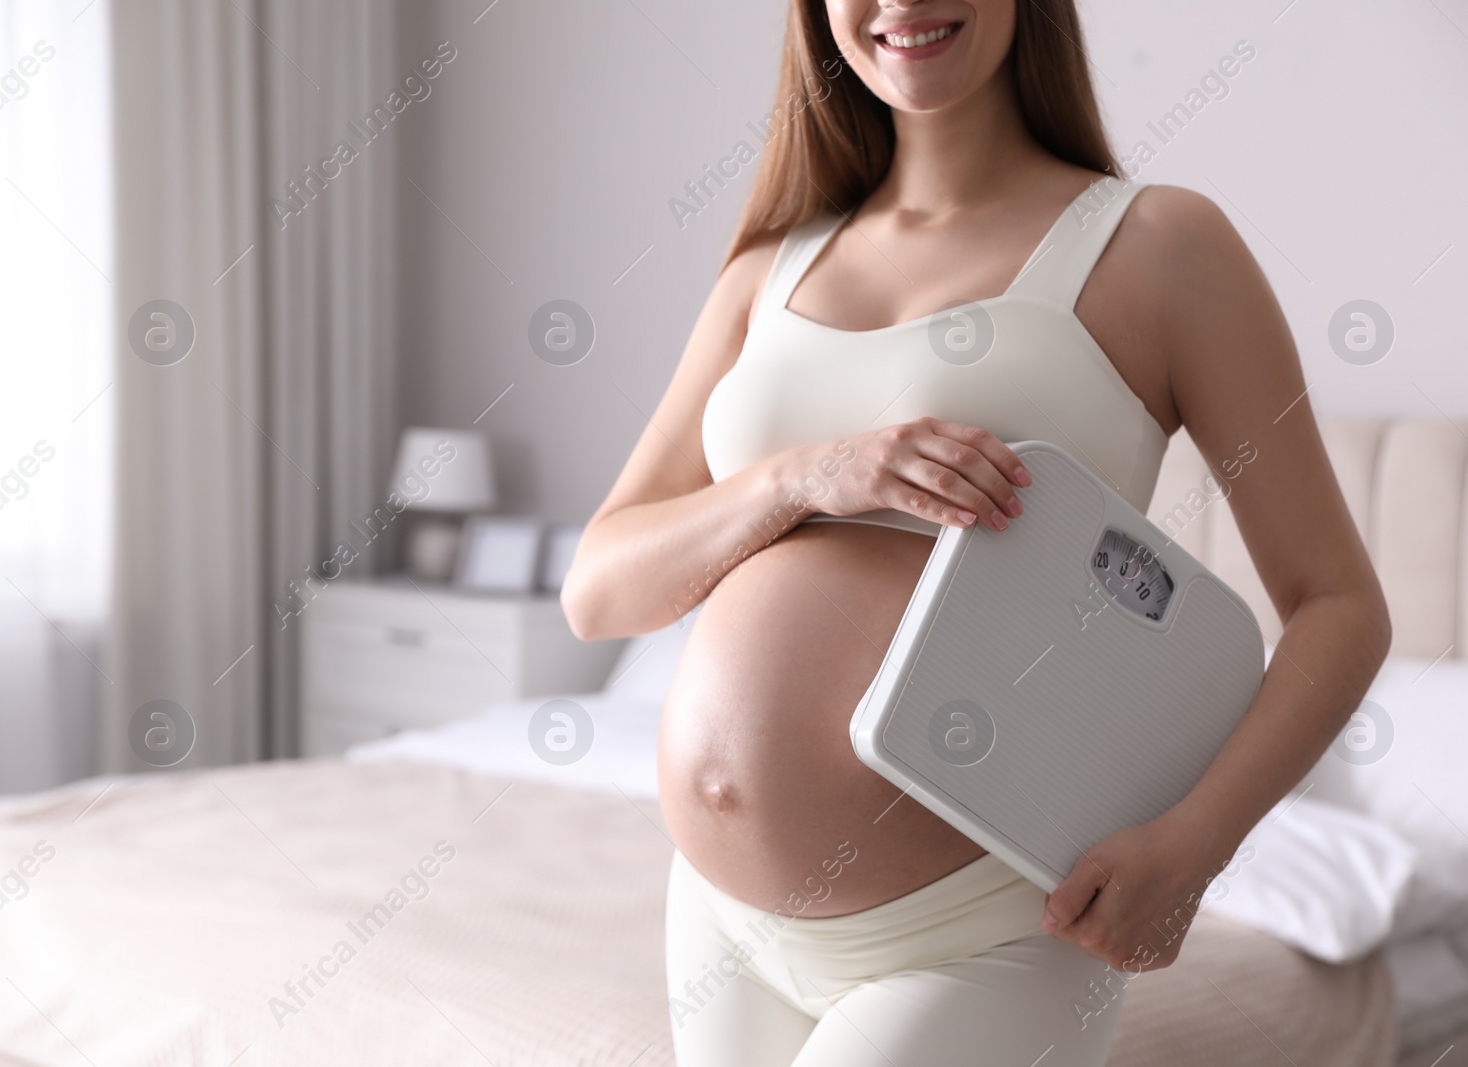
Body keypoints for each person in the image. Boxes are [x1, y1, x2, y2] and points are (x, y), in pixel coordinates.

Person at [561, 1, 1391, 1063]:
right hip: (722, 920)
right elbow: (598, 588)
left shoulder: (1158, 246)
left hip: (981, 927)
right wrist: (801, 477)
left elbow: (1339, 606)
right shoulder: (766, 273)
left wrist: (1192, 847)